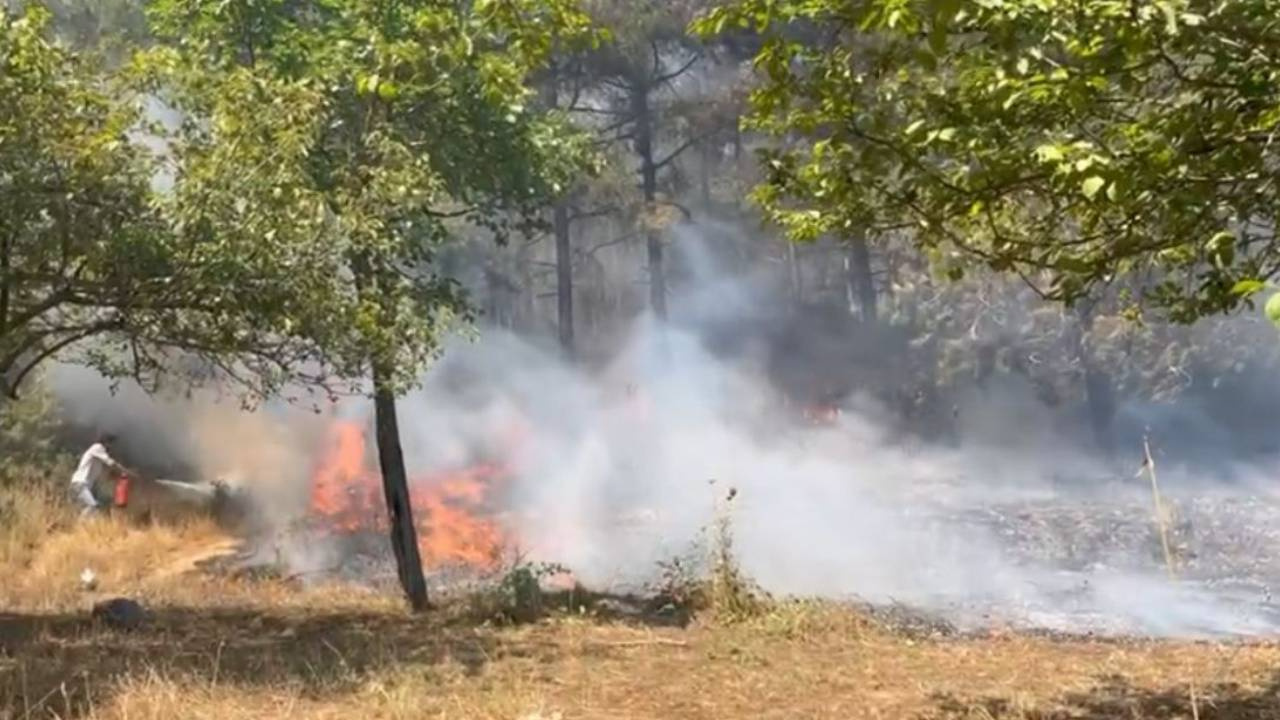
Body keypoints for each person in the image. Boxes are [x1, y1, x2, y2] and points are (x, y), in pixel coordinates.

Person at [69, 433, 128, 518]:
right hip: (80, 484)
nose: (111, 447)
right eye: (111, 444)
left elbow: (106, 471)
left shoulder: (98, 456)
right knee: (93, 506)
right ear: (106, 442)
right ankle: (80, 525)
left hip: (82, 485)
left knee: (92, 507)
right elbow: (110, 462)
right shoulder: (97, 447)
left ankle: (83, 526)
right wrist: (124, 469)